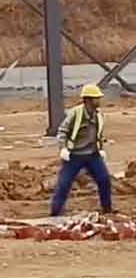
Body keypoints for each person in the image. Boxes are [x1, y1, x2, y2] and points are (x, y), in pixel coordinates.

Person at [51, 83, 112, 217]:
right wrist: (63, 149)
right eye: (96, 98)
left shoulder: (99, 115)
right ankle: (55, 213)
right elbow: (62, 131)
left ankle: (107, 210)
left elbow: (99, 134)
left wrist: (100, 148)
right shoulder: (75, 113)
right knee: (64, 184)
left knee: (104, 180)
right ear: (88, 99)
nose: (99, 100)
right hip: (74, 156)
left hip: (92, 155)